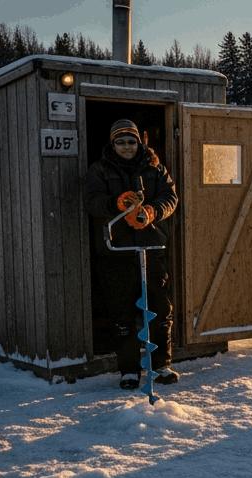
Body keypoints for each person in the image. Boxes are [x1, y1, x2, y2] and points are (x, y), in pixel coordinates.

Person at [86, 119, 180, 390]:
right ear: (112, 144)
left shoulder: (155, 168)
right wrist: (115, 204)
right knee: (121, 312)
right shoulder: (99, 170)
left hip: (152, 246)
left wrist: (152, 212)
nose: (126, 146)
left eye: (131, 141)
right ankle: (128, 369)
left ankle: (161, 364)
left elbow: (169, 197)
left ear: (139, 142)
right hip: (116, 249)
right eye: (120, 141)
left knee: (160, 309)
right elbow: (92, 201)